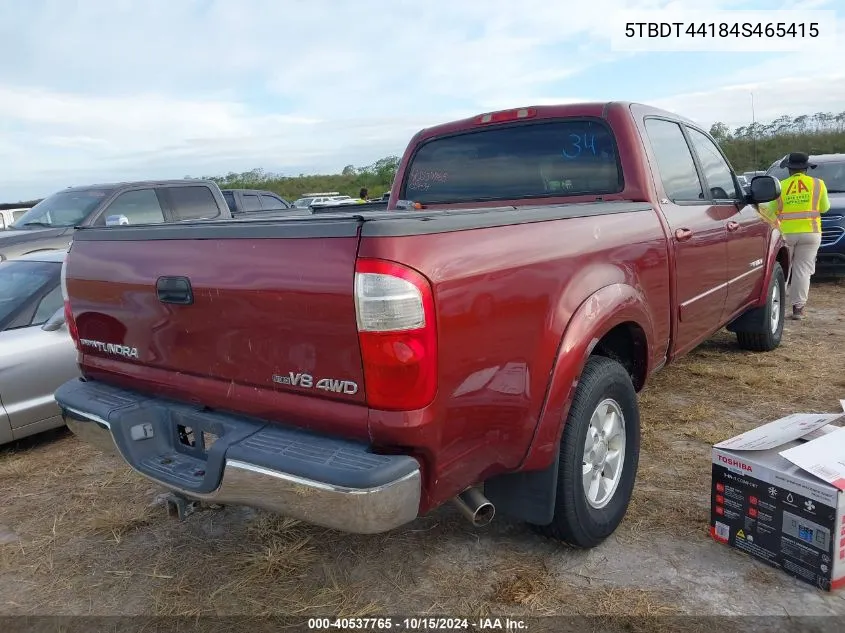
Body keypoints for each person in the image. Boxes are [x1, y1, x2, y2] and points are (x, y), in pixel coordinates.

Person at [764, 152, 831, 320]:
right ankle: (798, 309)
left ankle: (776, 306)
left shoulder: (781, 186)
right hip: (811, 233)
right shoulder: (818, 184)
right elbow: (824, 208)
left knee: (782, 270)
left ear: (789, 169)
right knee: (803, 271)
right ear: (806, 169)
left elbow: (769, 210)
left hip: (785, 234)